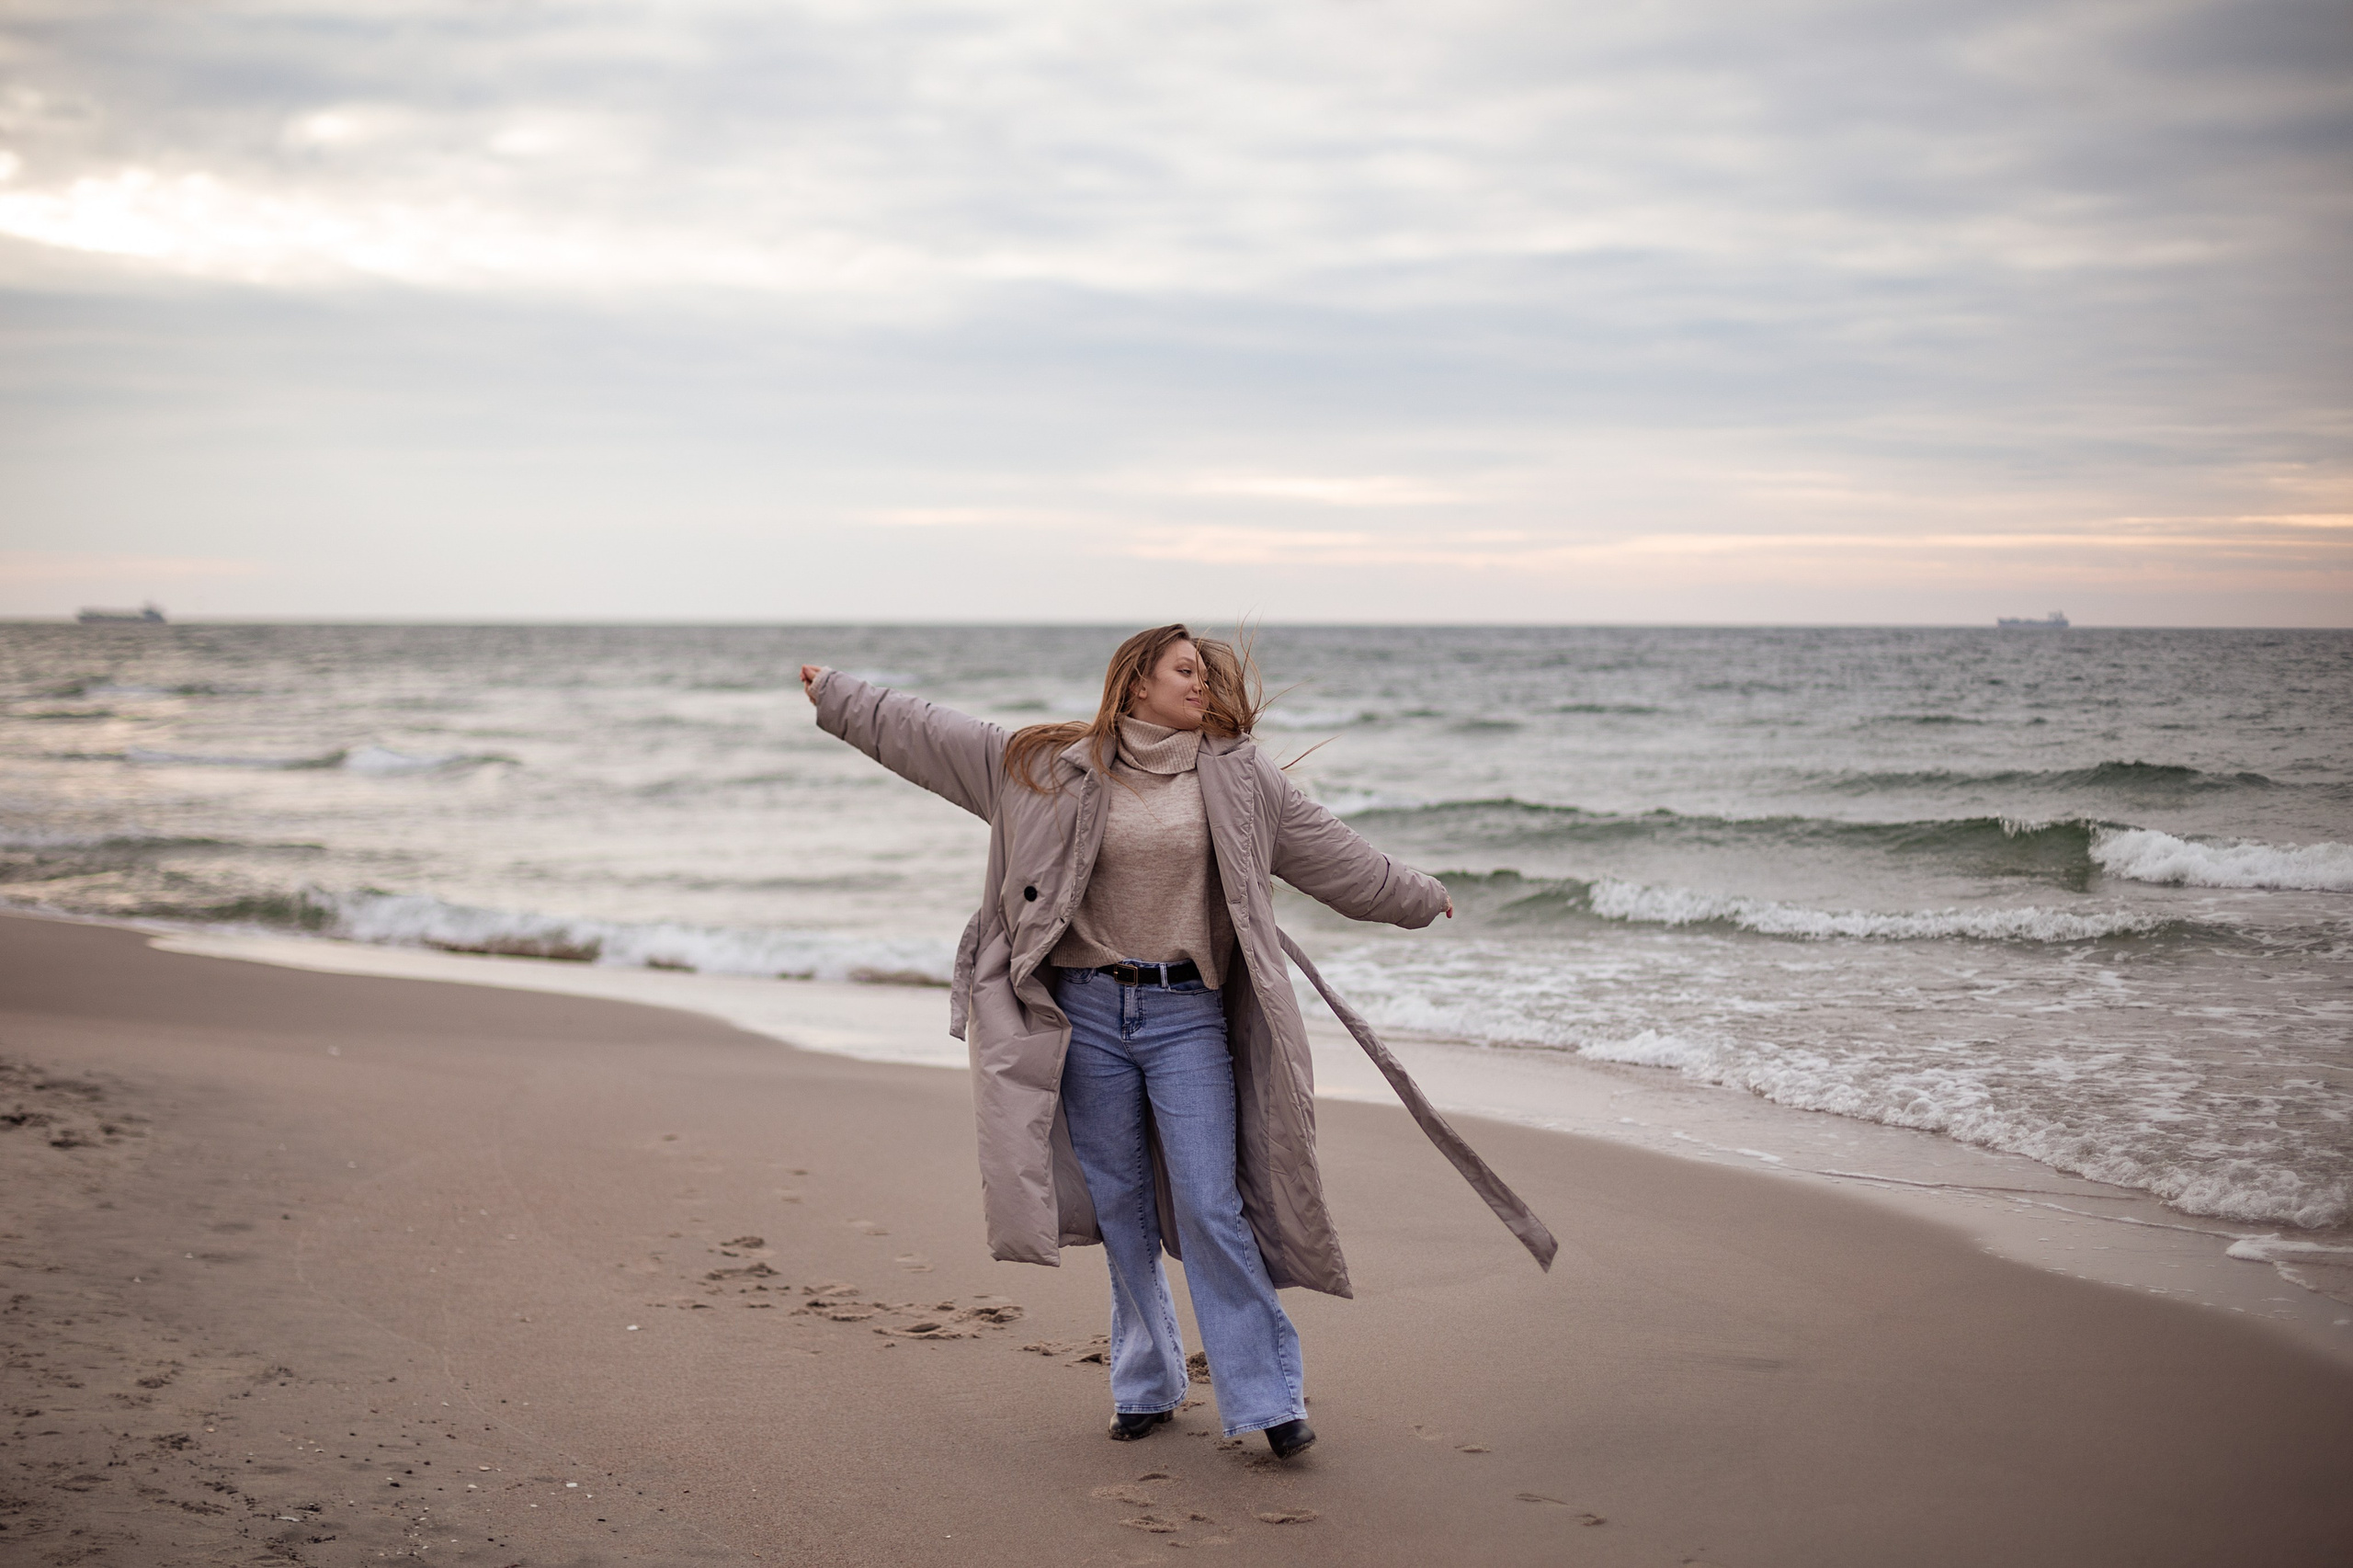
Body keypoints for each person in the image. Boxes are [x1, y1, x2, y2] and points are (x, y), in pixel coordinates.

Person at [800, 625, 1547, 1460]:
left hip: (1187, 1015)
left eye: (1207, 674)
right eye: (1185, 671)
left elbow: (1335, 857)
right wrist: (838, 694)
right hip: (1085, 1015)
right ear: (1136, 682)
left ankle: (1267, 1397)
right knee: (1120, 1206)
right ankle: (1147, 1382)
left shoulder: (1238, 774)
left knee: (1208, 1203)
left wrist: (1420, 895)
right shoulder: (1047, 766)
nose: (1202, 684)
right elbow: (931, 735)